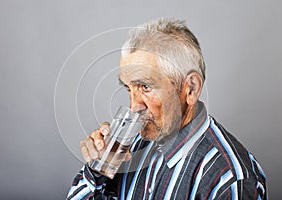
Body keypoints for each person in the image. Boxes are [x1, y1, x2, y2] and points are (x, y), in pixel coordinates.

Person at [67, 18, 268, 199]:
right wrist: (98, 171)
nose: (133, 106)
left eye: (145, 87)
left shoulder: (231, 179)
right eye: (128, 88)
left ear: (190, 89)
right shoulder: (128, 147)